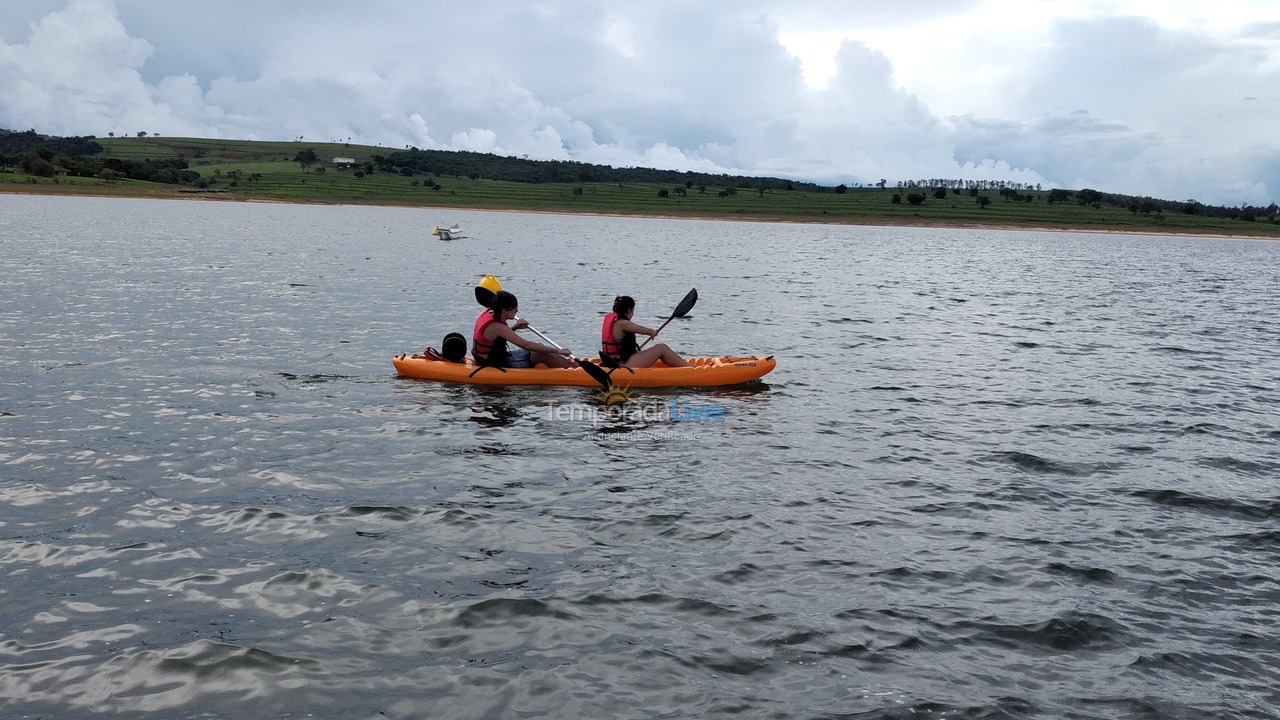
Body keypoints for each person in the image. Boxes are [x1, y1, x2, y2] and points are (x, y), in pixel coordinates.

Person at [472, 290, 574, 368]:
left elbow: (496, 338)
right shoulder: (497, 325)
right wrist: (558, 350)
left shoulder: (489, 312)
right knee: (540, 355)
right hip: (494, 363)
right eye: (514, 308)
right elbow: (526, 345)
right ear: (503, 309)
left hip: (493, 356)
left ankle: (574, 368)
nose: (517, 310)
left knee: (540, 346)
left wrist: (515, 327)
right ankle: (576, 372)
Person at [601, 295, 691, 368]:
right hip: (623, 365)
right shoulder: (622, 323)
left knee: (655, 349)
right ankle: (689, 369)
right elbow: (642, 330)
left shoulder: (614, 321)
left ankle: (685, 366)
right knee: (662, 348)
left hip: (616, 362)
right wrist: (652, 332)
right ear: (629, 310)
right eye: (633, 310)